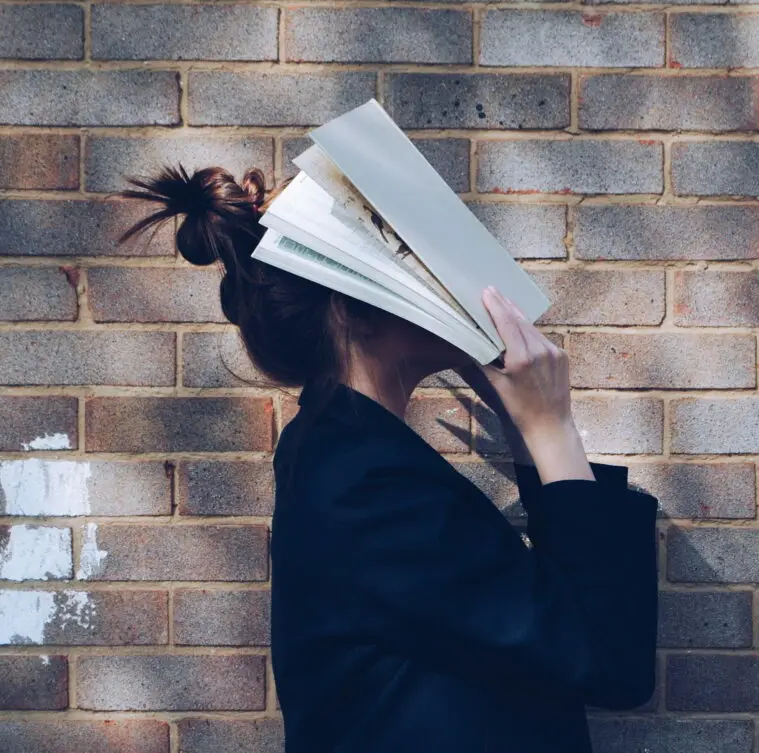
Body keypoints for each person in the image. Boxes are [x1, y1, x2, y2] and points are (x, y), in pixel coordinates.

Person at [117, 164, 659, 753]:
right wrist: (551, 427)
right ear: (354, 307)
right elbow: (609, 660)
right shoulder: (365, 485)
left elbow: (555, 627)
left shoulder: (345, 455)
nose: (445, 282)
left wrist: (523, 424)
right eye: (410, 263)